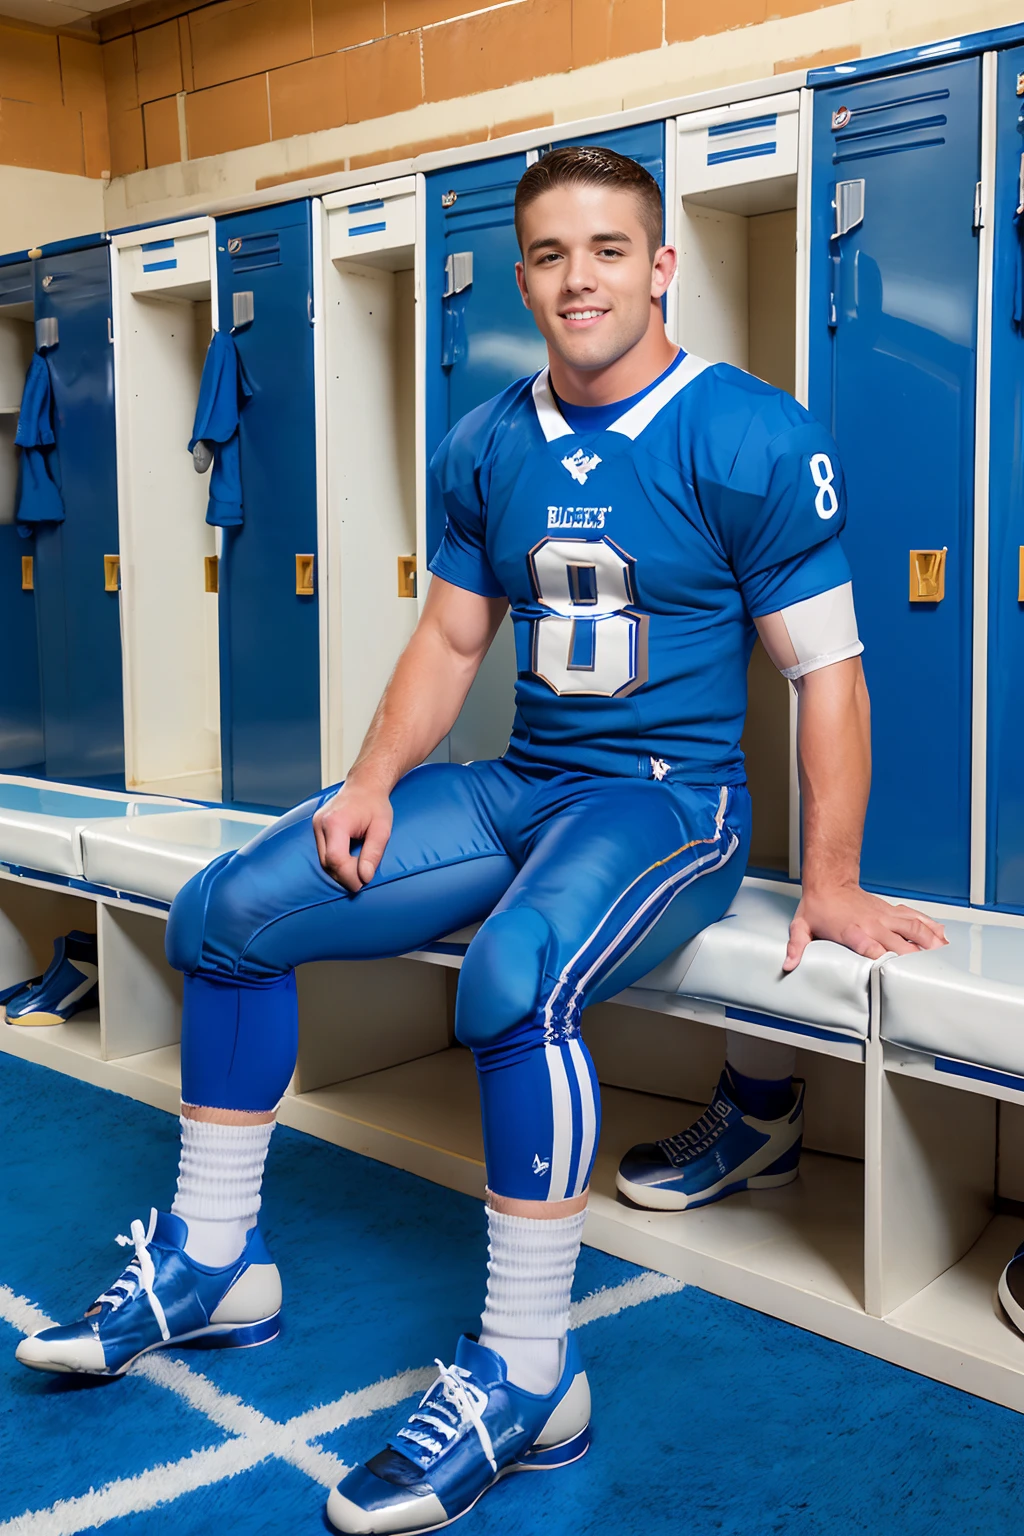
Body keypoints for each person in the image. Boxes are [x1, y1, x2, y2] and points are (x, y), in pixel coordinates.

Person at [15, 146, 946, 1532]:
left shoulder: (752, 434)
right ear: (522, 277)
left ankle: (528, 1373)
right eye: (554, 256)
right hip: (520, 784)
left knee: (516, 977)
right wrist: (372, 782)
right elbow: (454, 636)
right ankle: (217, 1264)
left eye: (610, 251)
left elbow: (831, 675)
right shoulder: (487, 437)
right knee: (230, 912)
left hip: (663, 802)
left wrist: (830, 880)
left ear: (661, 265)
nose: (581, 279)